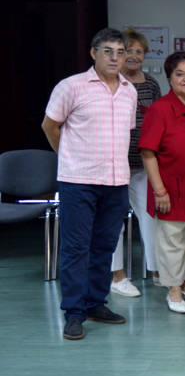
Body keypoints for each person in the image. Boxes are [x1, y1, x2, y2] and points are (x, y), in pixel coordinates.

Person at [42, 28, 137, 340]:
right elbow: (50, 126)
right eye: (107, 51)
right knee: (76, 248)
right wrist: (69, 156)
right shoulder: (71, 87)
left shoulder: (129, 91)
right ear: (93, 53)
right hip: (78, 181)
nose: (114, 58)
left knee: (105, 246)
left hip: (116, 181)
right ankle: (73, 312)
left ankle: (96, 303)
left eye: (120, 52)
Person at [139, 52, 185, 314]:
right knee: (172, 240)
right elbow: (148, 153)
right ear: (170, 78)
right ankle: (173, 290)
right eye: (179, 74)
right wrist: (159, 190)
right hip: (170, 188)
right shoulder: (160, 109)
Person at [109, 28, 162, 297]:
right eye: (128, 50)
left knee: (151, 219)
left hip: (143, 165)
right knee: (113, 222)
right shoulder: (111, 82)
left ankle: (157, 271)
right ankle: (117, 276)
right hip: (114, 165)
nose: (133, 56)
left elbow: (160, 119)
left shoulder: (151, 84)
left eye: (138, 52)